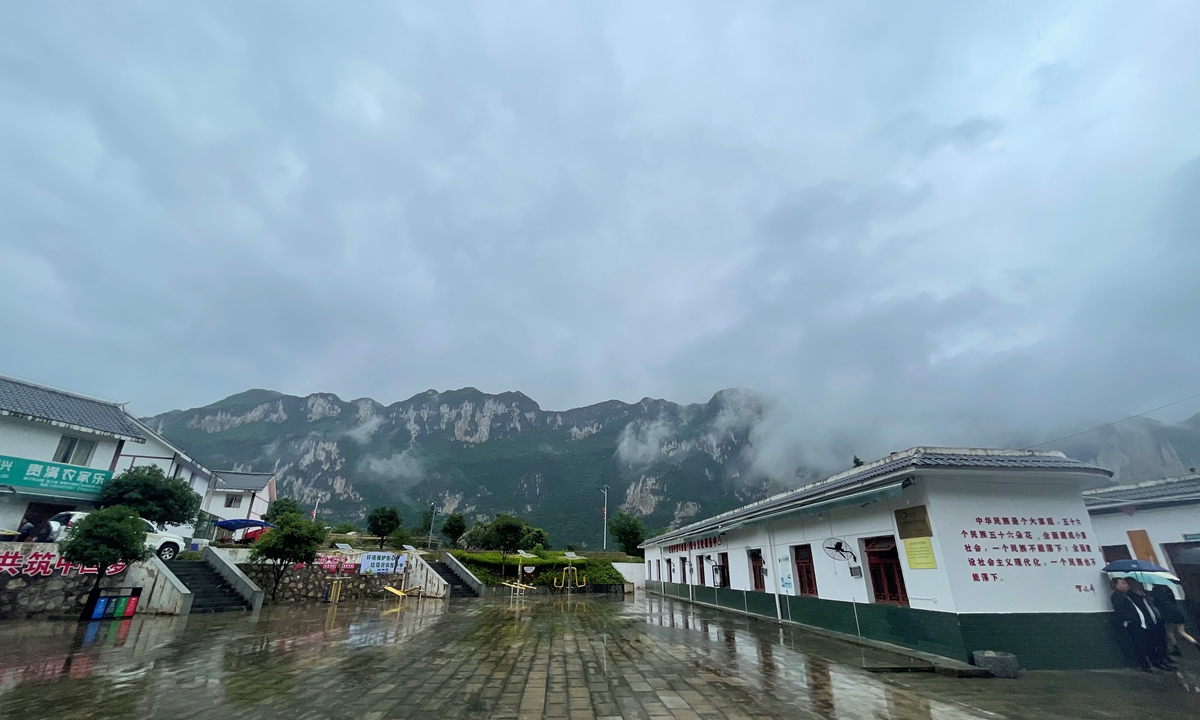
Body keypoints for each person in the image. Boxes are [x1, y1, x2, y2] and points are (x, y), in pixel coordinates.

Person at [1131, 579, 1175, 671]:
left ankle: (1164, 658)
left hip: (1156, 619)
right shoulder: (1133, 596)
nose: (1140, 585)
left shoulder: (1147, 594)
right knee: (1151, 643)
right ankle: (1157, 661)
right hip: (1147, 622)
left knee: (1161, 640)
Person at [1112, 578, 1154, 671]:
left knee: (1143, 643)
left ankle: (1148, 662)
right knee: (1138, 645)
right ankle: (1144, 665)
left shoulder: (1126, 595)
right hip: (1133, 624)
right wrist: (1129, 620)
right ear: (1116, 585)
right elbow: (1121, 611)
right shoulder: (1117, 596)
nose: (1126, 585)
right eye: (1123, 583)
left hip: (1139, 623)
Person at [1149, 583, 1198, 655]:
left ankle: (1175, 648)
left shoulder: (1155, 591)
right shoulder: (1168, 589)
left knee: (1169, 631)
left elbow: (1156, 602)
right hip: (1177, 612)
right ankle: (1195, 643)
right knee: (1182, 632)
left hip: (1168, 614)